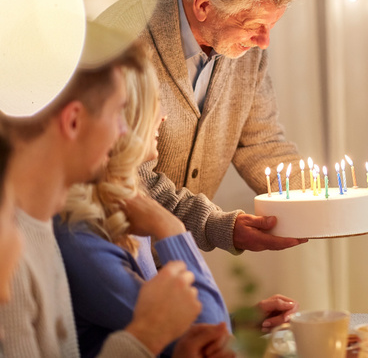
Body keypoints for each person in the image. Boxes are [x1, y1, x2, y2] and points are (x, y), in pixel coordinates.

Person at [0, 23, 233, 357]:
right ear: (74, 121)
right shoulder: (16, 248)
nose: (124, 130)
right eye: (116, 113)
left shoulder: (39, 231)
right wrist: (144, 337)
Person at [55, 53, 298, 357]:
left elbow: (182, 332)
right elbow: (205, 327)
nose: (164, 115)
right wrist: (170, 227)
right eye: (155, 101)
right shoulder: (81, 233)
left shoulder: (121, 211)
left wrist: (238, 325)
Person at [96, 0, 308, 254]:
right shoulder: (120, 45)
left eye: (270, 26)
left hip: (177, 250)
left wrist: (316, 200)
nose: (264, 42)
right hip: (115, 251)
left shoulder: (242, 46)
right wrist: (214, 226)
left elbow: (260, 141)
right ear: (203, 6)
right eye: (254, 26)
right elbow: (125, 176)